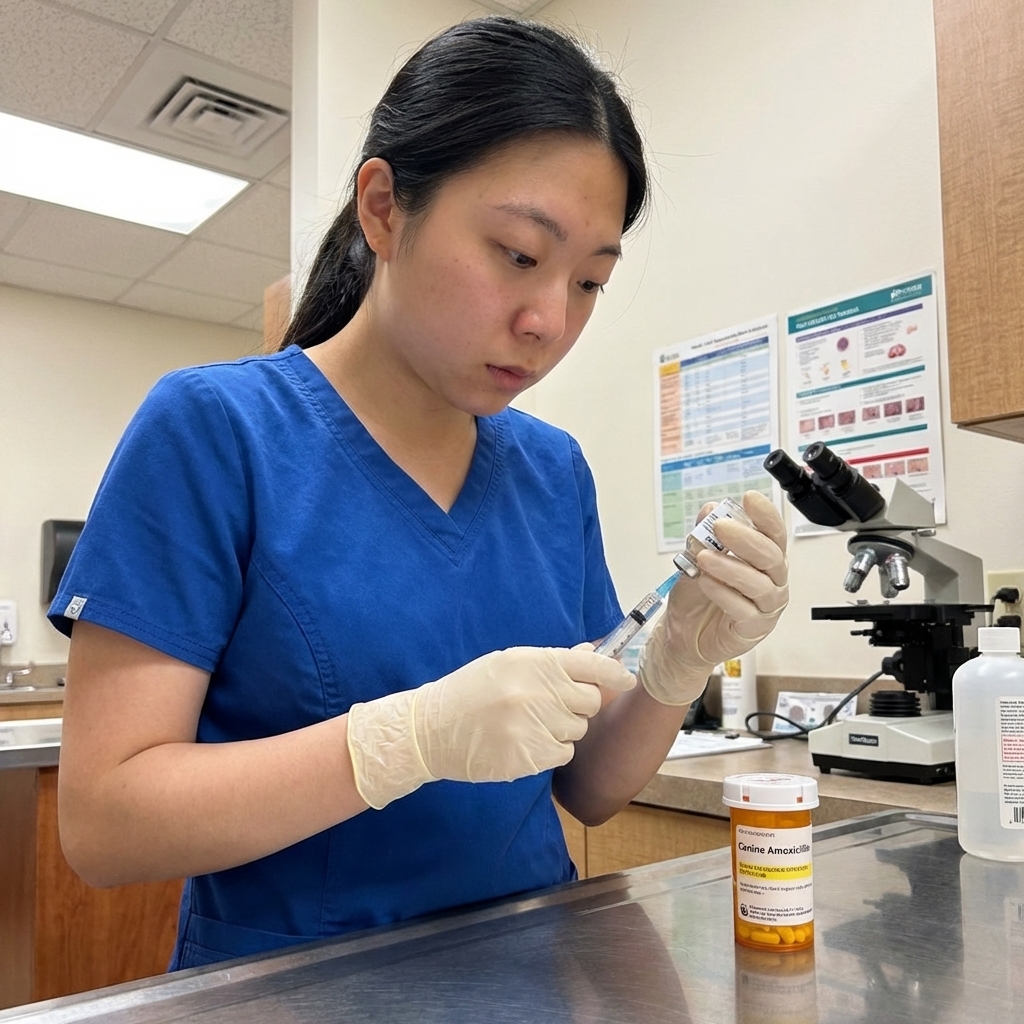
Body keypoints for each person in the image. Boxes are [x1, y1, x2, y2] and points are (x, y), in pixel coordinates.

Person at [50, 17, 789, 970]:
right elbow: (106, 825)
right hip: (297, 989)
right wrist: (401, 742)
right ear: (385, 208)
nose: (547, 321)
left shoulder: (551, 471)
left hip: (533, 975)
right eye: (520, 255)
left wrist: (678, 662)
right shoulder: (214, 431)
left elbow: (591, 788)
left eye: (590, 283)